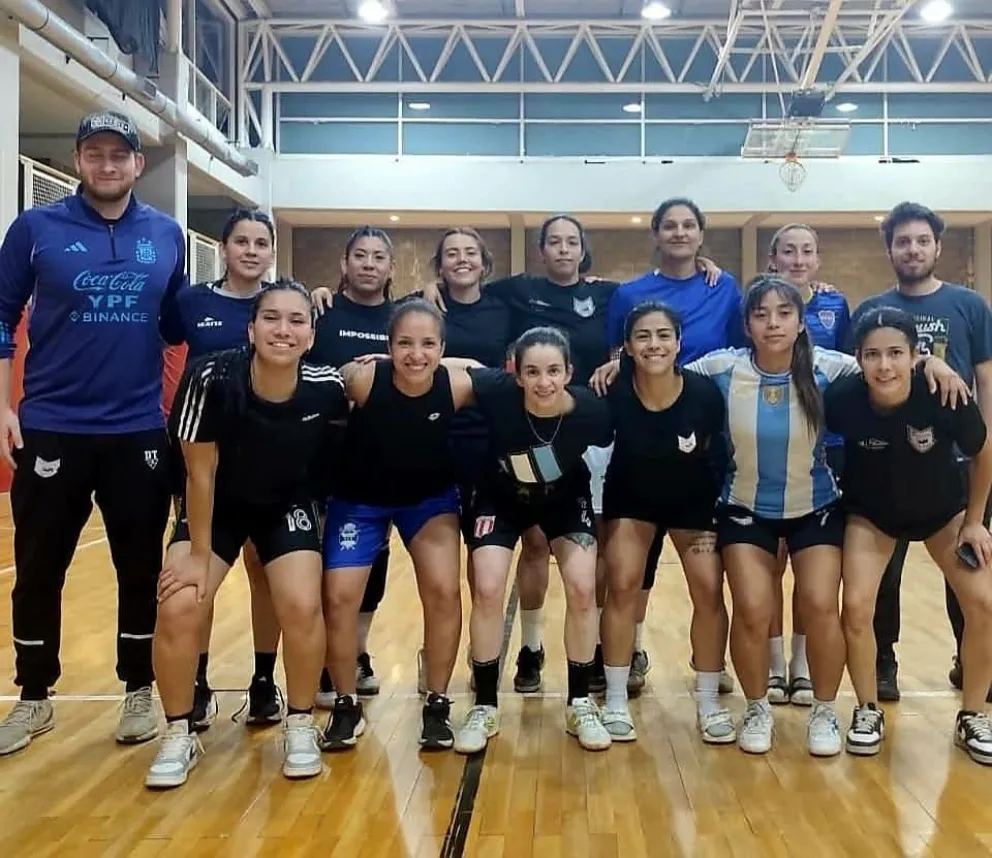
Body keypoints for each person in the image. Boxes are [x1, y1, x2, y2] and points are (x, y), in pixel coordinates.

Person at [686, 275, 964, 757]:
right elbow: (662, 374)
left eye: (784, 313)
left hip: (815, 508)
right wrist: (616, 370)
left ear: (799, 322)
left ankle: (823, 710)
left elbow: (888, 363)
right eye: (761, 314)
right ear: (747, 324)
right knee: (753, 611)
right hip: (745, 509)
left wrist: (931, 362)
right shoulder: (721, 368)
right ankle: (757, 708)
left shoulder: (831, 367)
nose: (773, 323)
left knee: (819, 606)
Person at [0, 110, 186, 756]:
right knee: (38, 568)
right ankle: (33, 697)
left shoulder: (166, 235)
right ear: (79, 161)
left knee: (139, 567)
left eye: (120, 155)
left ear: (138, 164)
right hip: (53, 426)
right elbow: (1, 317)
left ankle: (138, 688)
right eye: (95, 154)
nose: (108, 165)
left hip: (137, 428)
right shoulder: (34, 230)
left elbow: (180, 321)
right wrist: (5, 404)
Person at [146, 279, 349, 788]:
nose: (284, 329)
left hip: (286, 504)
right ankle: (177, 731)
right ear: (251, 327)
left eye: (297, 320)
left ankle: (300, 722)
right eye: (272, 318)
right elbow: (199, 473)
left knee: (302, 605)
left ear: (311, 333)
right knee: (180, 603)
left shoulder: (327, 386)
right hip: (217, 505)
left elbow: (333, 455)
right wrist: (195, 554)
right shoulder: (210, 376)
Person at [826, 307, 992, 763]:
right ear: (857, 358)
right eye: (873, 355)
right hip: (871, 515)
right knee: (856, 607)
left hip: (942, 514)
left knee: (984, 604)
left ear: (915, 355)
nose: (885, 366)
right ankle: (866, 709)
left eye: (896, 353)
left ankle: (973, 713)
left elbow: (984, 452)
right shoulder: (842, 398)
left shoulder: (945, 393)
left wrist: (975, 521)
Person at [594, 197, 743, 697]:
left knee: (708, 587)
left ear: (702, 234)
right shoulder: (630, 295)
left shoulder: (723, 286)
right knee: (628, 579)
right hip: (639, 447)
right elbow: (615, 357)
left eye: (689, 226)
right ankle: (626, 662)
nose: (680, 233)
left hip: (698, 445)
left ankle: (707, 682)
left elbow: (747, 347)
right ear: (655, 234)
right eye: (670, 226)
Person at [320, 300, 477, 752]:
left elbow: (502, 373)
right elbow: (329, 377)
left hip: (428, 501)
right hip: (359, 502)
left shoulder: (457, 384)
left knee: (445, 592)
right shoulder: (365, 380)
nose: (416, 354)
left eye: (428, 344)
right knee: (340, 596)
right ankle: (346, 703)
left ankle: (438, 703)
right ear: (388, 348)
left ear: (443, 349)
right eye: (405, 343)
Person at [855, 202, 992, 703]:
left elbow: (985, 380)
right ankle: (884, 662)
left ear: (938, 245)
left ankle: (968, 659)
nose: (912, 249)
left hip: (956, 469)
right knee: (883, 581)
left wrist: (986, 449)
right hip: (890, 469)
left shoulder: (970, 305)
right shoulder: (871, 309)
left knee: (967, 575)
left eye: (921, 241)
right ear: (889, 248)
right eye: (902, 242)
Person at [455, 327, 614, 754]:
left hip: (564, 500)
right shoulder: (496, 391)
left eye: (553, 371)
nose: (543, 382)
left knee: (582, 588)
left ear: (569, 372)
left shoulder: (593, 412)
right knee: (487, 589)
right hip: (501, 498)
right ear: (517, 374)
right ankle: (485, 705)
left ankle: (579, 701)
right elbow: (455, 367)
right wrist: (378, 363)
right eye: (532, 372)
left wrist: (621, 363)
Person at [168, 208, 284, 732]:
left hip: (267, 464)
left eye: (262, 242)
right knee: (199, 576)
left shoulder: (285, 304)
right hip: (204, 466)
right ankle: (196, 678)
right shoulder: (193, 301)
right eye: (243, 241)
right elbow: (159, 349)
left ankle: (263, 679)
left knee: (266, 574)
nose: (252, 251)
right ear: (224, 246)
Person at [598, 302, 734, 745]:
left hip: (693, 502)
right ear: (627, 346)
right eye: (642, 336)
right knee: (622, 585)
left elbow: (716, 448)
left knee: (709, 590)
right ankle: (616, 698)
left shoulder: (704, 393)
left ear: (678, 342)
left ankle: (709, 700)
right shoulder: (613, 389)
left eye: (662, 335)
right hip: (631, 499)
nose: (653, 344)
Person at [309, 226, 398, 701]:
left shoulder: (402, 318)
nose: (368, 263)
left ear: (389, 267)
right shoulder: (321, 311)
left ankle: (356, 651)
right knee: (328, 560)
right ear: (344, 264)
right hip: (324, 455)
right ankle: (328, 657)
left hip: (382, 456)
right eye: (359, 255)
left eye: (378, 256)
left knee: (373, 560)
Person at [764, 224, 852, 707]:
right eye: (789, 251)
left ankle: (801, 665)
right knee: (771, 564)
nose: (798, 259)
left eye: (807, 251)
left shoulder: (835, 306)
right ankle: (774, 667)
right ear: (773, 258)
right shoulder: (761, 303)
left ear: (818, 259)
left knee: (811, 568)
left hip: (826, 447)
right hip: (769, 445)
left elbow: (856, 364)